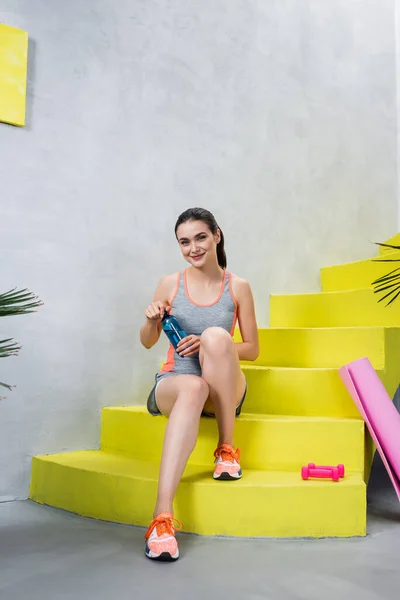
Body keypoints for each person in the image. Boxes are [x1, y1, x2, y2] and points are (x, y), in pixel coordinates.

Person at [140, 207, 259, 561]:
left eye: (201, 237)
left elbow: (251, 349)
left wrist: (208, 341)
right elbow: (148, 341)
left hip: (224, 385)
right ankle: (162, 518)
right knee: (193, 386)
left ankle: (226, 450)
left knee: (216, 336)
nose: (193, 248)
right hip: (179, 384)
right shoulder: (170, 283)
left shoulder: (237, 287)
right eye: (184, 242)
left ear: (217, 236)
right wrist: (150, 320)